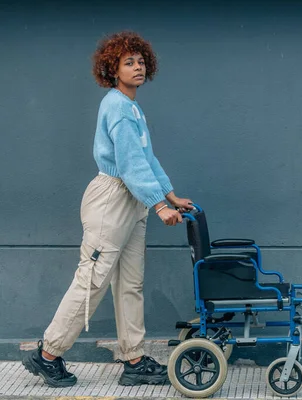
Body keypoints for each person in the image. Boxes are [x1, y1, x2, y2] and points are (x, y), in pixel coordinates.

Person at [22, 31, 192, 388]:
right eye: (129, 62)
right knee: (93, 279)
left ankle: (133, 359)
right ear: (112, 69)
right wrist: (160, 205)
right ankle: (48, 354)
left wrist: (170, 194)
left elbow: (146, 158)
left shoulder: (131, 107)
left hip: (133, 199)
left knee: (131, 283)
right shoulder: (116, 105)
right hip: (112, 198)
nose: (138, 68)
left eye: (141, 61)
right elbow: (129, 165)